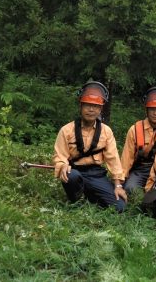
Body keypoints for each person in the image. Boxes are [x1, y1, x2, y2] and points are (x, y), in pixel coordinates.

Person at [52, 81, 126, 212]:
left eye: (95, 106)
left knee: (119, 207)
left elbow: (113, 159)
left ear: (100, 109)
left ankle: (90, 196)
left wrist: (118, 185)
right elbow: (60, 155)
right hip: (75, 171)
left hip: (96, 174)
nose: (91, 110)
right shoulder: (66, 130)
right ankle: (76, 201)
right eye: (87, 105)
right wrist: (63, 165)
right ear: (81, 106)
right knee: (72, 176)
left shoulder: (106, 131)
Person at [120, 87, 156, 195]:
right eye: (152, 109)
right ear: (146, 110)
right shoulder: (134, 129)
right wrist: (120, 182)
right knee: (129, 189)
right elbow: (127, 158)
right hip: (140, 168)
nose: (155, 113)